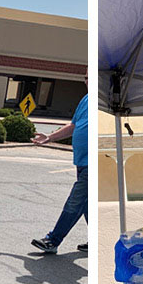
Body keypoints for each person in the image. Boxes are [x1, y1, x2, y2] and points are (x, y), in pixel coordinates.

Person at [31, 79, 88, 254]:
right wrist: (50, 137)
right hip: (81, 161)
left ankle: (53, 240)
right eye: (85, 78)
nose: (87, 81)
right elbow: (73, 126)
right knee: (86, 204)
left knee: (75, 201)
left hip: (92, 164)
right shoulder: (86, 99)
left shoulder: (102, 101)